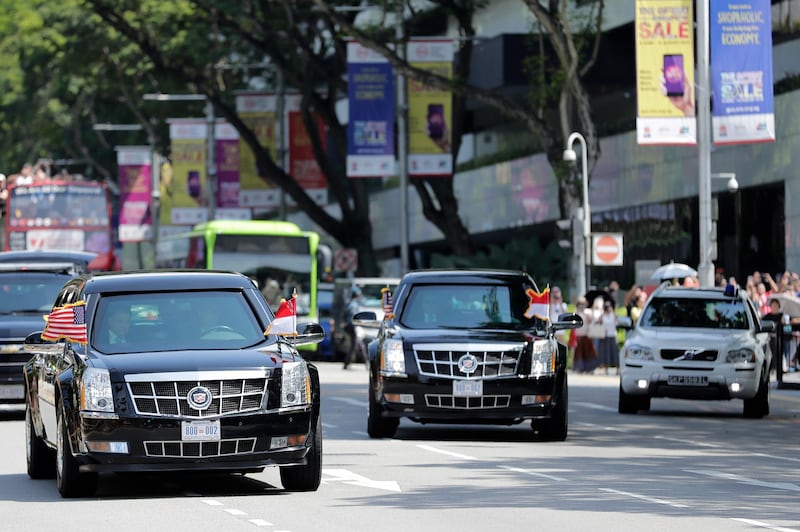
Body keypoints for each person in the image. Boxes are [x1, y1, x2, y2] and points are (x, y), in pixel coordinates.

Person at [572, 297, 597, 374]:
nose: (582, 305)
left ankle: (590, 368)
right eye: (580, 304)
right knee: (579, 353)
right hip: (579, 335)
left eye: (583, 304)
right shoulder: (576, 312)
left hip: (586, 335)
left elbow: (591, 321)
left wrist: (589, 313)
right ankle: (579, 368)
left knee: (588, 352)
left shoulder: (587, 312)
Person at [343, 286, 363, 369]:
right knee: (354, 345)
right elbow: (353, 317)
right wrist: (355, 326)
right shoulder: (354, 305)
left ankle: (348, 363)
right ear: (357, 295)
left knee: (357, 344)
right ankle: (347, 363)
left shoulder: (350, 303)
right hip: (352, 326)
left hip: (350, 326)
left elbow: (345, 315)